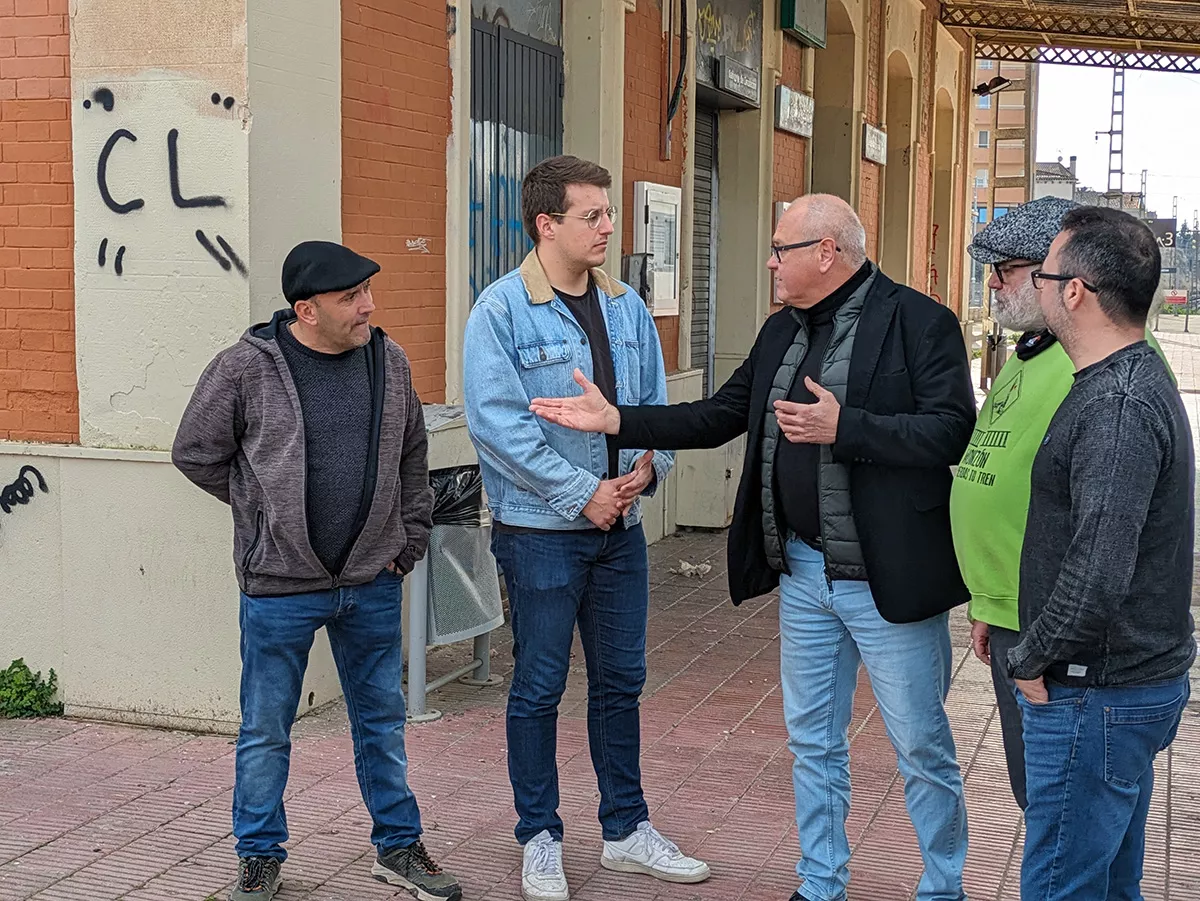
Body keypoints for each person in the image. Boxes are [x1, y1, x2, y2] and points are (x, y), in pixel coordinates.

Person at [531, 194, 975, 901]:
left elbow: (951, 431)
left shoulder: (920, 322)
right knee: (813, 743)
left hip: (888, 580)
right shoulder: (780, 332)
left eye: (780, 249)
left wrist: (847, 427)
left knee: (921, 745)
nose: (769, 261)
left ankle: (943, 887)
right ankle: (821, 882)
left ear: (826, 252)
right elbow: (716, 415)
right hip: (804, 573)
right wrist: (617, 419)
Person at [172, 241, 461, 901]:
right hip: (280, 590)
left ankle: (397, 845)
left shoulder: (388, 361)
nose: (369, 306)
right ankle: (259, 855)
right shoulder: (245, 369)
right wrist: (262, 510)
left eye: (368, 291)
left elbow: (414, 453)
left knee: (381, 721)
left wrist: (410, 535)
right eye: (351, 297)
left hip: (372, 583)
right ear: (306, 309)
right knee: (266, 727)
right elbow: (194, 450)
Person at [462, 155, 709, 901]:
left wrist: (647, 470)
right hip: (540, 531)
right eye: (592, 215)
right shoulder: (501, 311)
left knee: (621, 682)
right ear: (547, 224)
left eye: (607, 213)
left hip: (620, 532)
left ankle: (626, 830)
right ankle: (539, 835)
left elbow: (653, 405)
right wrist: (582, 493)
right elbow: (497, 425)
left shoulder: (627, 306)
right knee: (538, 685)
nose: (609, 226)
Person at [953, 197, 1174, 812]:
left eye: (1011, 268)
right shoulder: (1036, 353)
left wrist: (1035, 650)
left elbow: (1103, 541)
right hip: (1017, 610)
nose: (993, 282)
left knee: (1064, 818)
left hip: (1057, 636)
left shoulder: (1110, 379)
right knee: (1049, 802)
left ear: (1071, 282)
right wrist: (993, 600)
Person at [1007, 205, 1195, 900]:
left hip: (1096, 690)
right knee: (1111, 884)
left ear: (1076, 290)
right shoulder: (1125, 380)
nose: (1035, 287)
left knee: (1062, 885)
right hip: (1118, 688)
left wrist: (1029, 655)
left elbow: (1099, 570)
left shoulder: (1116, 403)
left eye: (1044, 274)